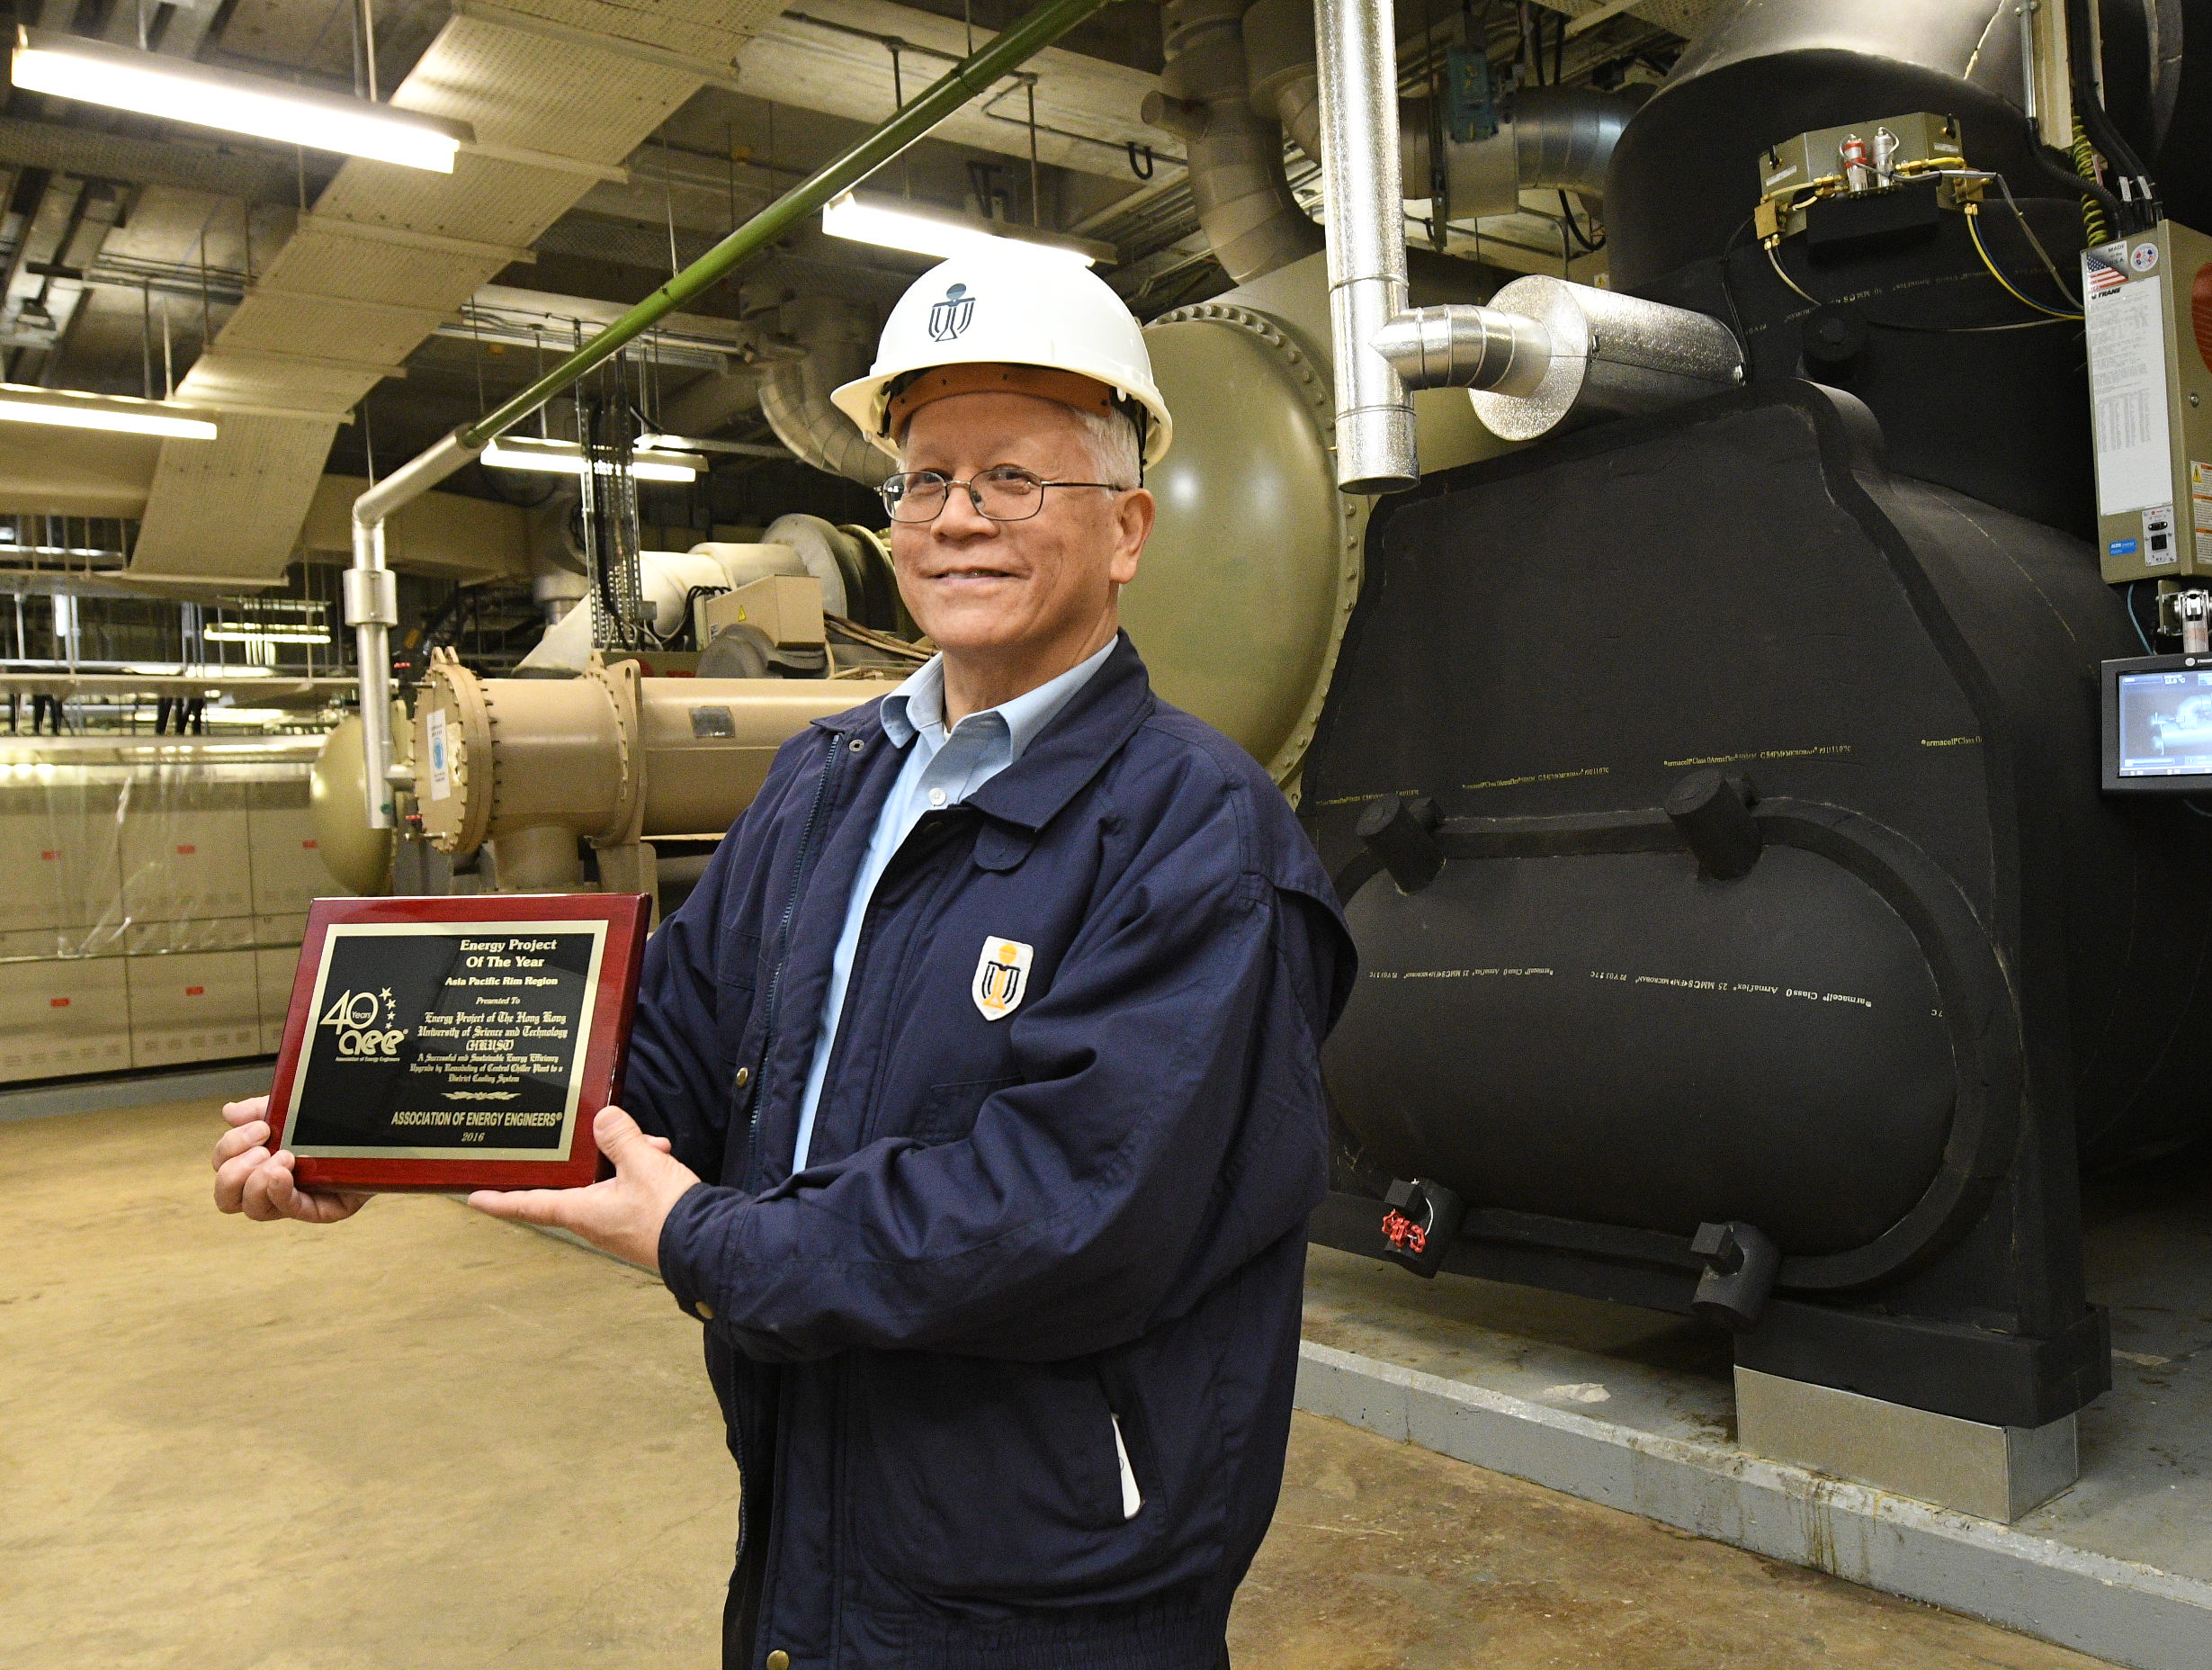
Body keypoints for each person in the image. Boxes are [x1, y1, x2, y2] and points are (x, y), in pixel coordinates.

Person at [212, 250, 1357, 1670]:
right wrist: (367, 1129)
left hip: (1057, 1557)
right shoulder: (828, 782)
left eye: (1014, 479)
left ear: (1126, 528)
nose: (957, 521)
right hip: (821, 1483)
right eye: (925, 480)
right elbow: (670, 1050)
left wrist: (710, 1241)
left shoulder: (1197, 833)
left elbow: (1075, 1209)